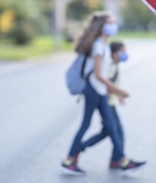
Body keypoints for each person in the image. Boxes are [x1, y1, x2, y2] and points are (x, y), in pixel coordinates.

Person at [59, 11, 146, 176]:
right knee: (86, 125)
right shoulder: (98, 45)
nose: (114, 26)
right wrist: (118, 90)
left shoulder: (103, 44)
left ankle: (123, 160)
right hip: (93, 90)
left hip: (98, 91)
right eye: (110, 23)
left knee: (111, 127)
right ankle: (69, 160)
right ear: (101, 27)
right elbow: (99, 74)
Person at [77, 41, 129, 169]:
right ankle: (118, 159)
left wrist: (119, 95)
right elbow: (107, 85)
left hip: (109, 102)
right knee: (118, 132)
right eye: (122, 51)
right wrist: (120, 92)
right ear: (114, 54)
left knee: (107, 132)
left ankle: (80, 148)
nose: (125, 54)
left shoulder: (114, 65)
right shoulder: (111, 66)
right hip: (107, 104)